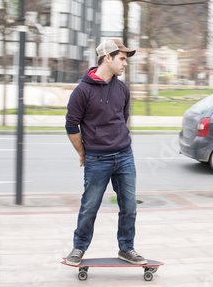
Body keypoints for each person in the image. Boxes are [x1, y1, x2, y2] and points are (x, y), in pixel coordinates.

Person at [64, 39, 147, 266]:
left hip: (124, 157)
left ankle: (126, 249)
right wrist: (83, 152)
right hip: (97, 159)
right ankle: (78, 248)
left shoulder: (122, 89)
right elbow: (71, 125)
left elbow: (123, 117)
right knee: (90, 206)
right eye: (122, 58)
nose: (125, 64)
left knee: (129, 207)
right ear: (107, 58)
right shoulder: (82, 91)